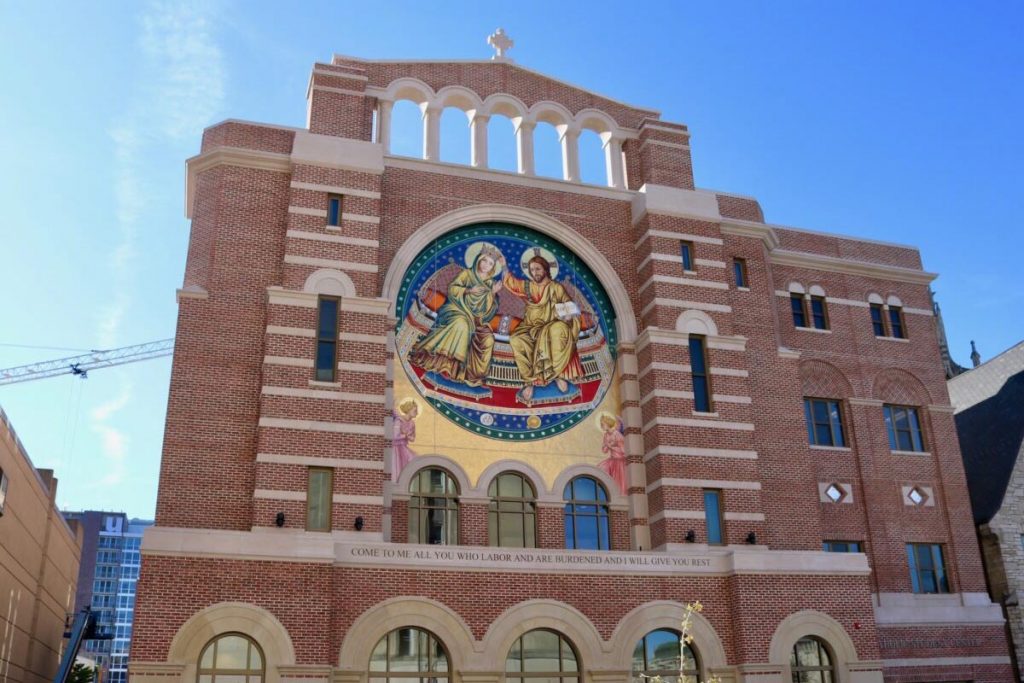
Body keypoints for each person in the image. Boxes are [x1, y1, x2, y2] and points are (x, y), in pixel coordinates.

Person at [409, 244, 503, 386]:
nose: (486, 265)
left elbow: (486, 313)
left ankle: (470, 375)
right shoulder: (467, 274)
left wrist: (492, 293)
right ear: (478, 260)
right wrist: (468, 291)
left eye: (490, 263)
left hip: (474, 319)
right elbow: (452, 289)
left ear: (493, 268)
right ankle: (443, 366)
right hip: (455, 309)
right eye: (484, 260)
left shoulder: (491, 284)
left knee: (488, 338)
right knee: (461, 324)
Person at [498, 251, 583, 403]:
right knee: (517, 338)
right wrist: (504, 265)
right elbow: (511, 283)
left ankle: (556, 374)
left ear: (545, 269)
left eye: (538, 269)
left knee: (554, 331)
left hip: (552, 324)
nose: (534, 273)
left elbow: (570, 306)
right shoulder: (528, 286)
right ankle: (529, 380)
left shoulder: (556, 288)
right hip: (530, 326)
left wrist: (568, 316)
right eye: (532, 270)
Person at [597, 413, 627, 495]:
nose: (601, 426)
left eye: (602, 424)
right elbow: (604, 450)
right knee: (600, 469)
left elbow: (623, 450)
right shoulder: (606, 435)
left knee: (618, 483)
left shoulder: (617, 434)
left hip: (620, 461)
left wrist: (611, 446)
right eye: (601, 425)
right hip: (612, 460)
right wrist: (606, 446)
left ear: (608, 424)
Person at [391, 398, 420, 482]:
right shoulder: (398, 420)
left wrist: (407, 436)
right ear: (408, 410)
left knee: (413, 459)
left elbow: (412, 438)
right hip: (396, 448)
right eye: (415, 411)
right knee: (398, 467)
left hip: (403, 446)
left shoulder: (412, 423)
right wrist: (405, 435)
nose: (417, 413)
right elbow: (395, 436)